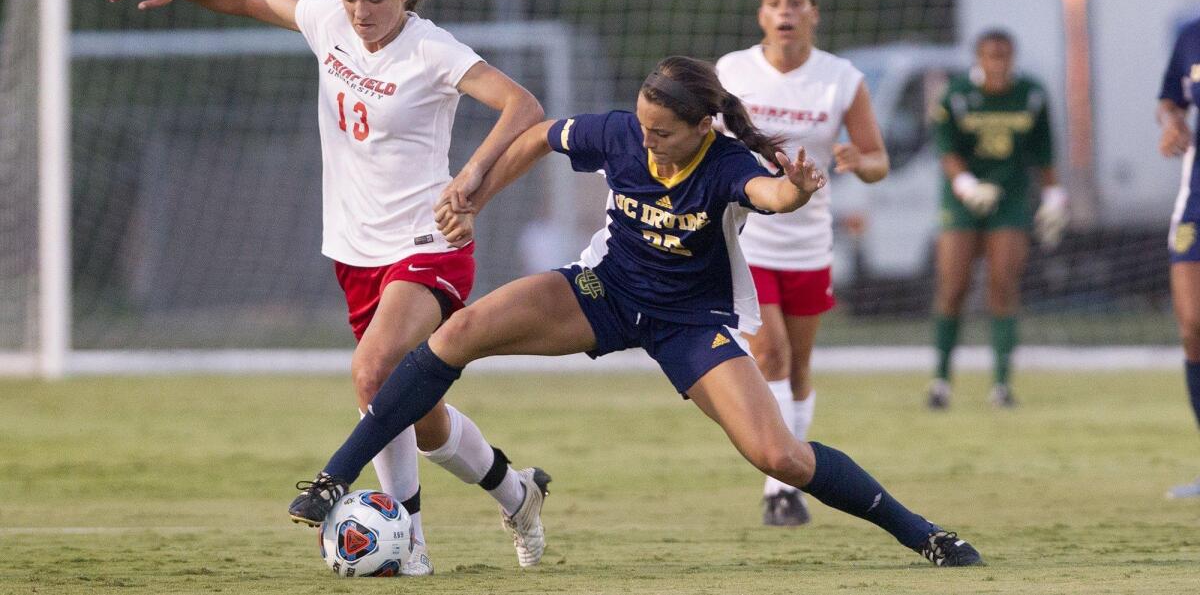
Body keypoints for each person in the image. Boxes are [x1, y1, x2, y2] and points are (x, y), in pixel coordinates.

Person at [288, 55, 984, 568]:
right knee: (460, 331)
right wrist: (474, 190)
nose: (646, 139)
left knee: (780, 454)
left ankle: (923, 533)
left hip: (687, 322)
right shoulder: (621, 133)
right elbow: (536, 137)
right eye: (643, 126)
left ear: (702, 126)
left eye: (662, 132)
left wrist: (796, 193)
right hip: (603, 293)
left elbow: (769, 196)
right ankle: (335, 475)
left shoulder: (726, 162)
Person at [105, 0, 551, 572]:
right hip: (354, 249)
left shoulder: (432, 50)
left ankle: (407, 545)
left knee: (374, 374)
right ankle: (516, 491)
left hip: (428, 244)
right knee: (413, 411)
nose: (360, 12)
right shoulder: (331, 26)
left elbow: (523, 104)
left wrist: (471, 179)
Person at [716, 0, 889, 526]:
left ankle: (787, 471)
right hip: (750, 235)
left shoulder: (840, 78)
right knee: (771, 355)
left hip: (810, 242)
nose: (785, 10)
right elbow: (708, 144)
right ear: (761, 15)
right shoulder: (733, 71)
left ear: (814, 12)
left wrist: (859, 162)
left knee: (800, 368)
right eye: (774, 1)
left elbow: (878, 159)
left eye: (795, 1)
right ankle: (780, 489)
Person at [927, 29, 1067, 410]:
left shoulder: (1032, 94)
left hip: (1010, 199)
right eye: (990, 56)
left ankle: (1001, 385)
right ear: (978, 59)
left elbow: (1044, 150)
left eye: (1004, 56)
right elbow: (946, 149)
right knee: (953, 285)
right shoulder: (956, 95)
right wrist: (966, 184)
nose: (998, 64)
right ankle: (940, 381)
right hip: (962, 202)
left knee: (1003, 283)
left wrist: (1055, 195)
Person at [1157, 16, 1200, 499]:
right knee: (1192, 325)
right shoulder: (1190, 34)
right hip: (1197, 199)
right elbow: (1169, 102)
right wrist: (1173, 124)